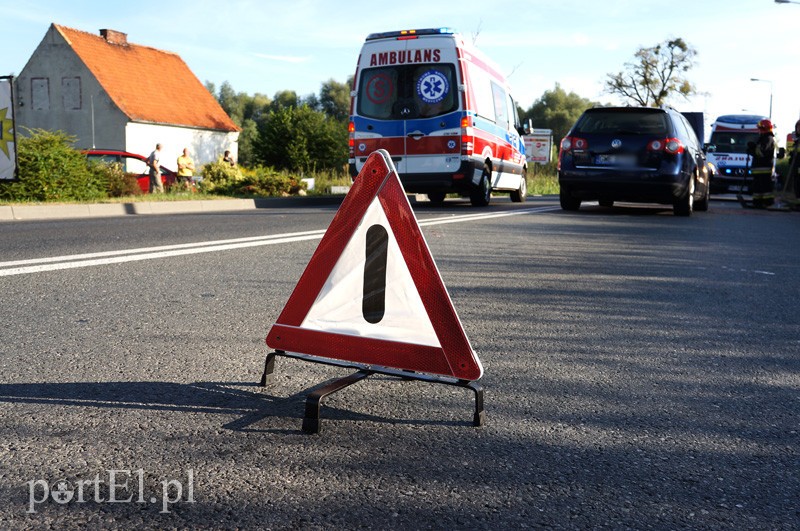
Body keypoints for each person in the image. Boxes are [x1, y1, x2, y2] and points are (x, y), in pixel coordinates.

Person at [748, 119, 777, 208]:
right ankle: (757, 202)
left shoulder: (768, 139)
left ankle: (767, 202)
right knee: (758, 187)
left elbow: (761, 152)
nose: (759, 130)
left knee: (765, 187)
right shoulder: (763, 138)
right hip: (759, 168)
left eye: (760, 128)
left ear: (765, 129)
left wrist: (752, 149)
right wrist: (752, 149)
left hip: (764, 168)